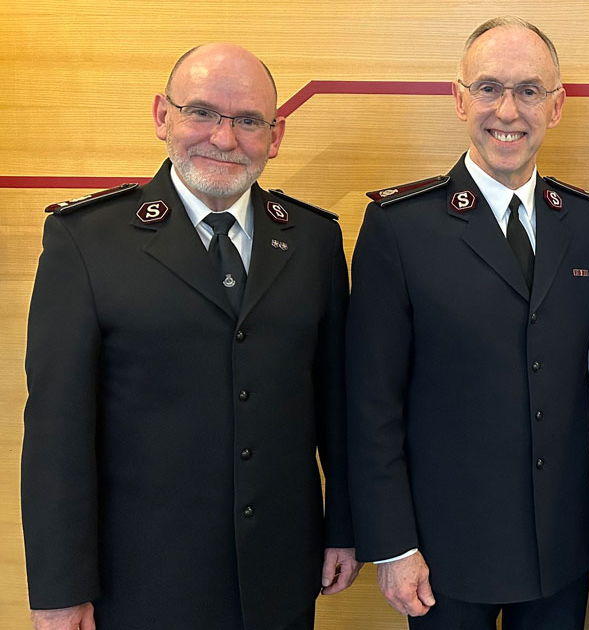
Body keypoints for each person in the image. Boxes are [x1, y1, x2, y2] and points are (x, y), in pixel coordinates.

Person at [21, 43, 360, 630]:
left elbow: (337, 406)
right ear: (163, 117)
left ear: (275, 136)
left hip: (279, 575)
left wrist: (346, 529)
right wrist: (59, 588)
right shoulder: (86, 240)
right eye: (202, 112)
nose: (224, 139)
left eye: (249, 120)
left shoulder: (314, 241)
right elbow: (56, 431)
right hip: (141, 581)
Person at [346, 16, 589, 630]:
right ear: (460, 98)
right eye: (489, 88)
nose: (508, 111)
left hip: (561, 549)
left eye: (529, 90)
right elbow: (372, 402)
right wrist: (392, 545)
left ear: (558, 105)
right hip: (444, 556)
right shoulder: (401, 228)